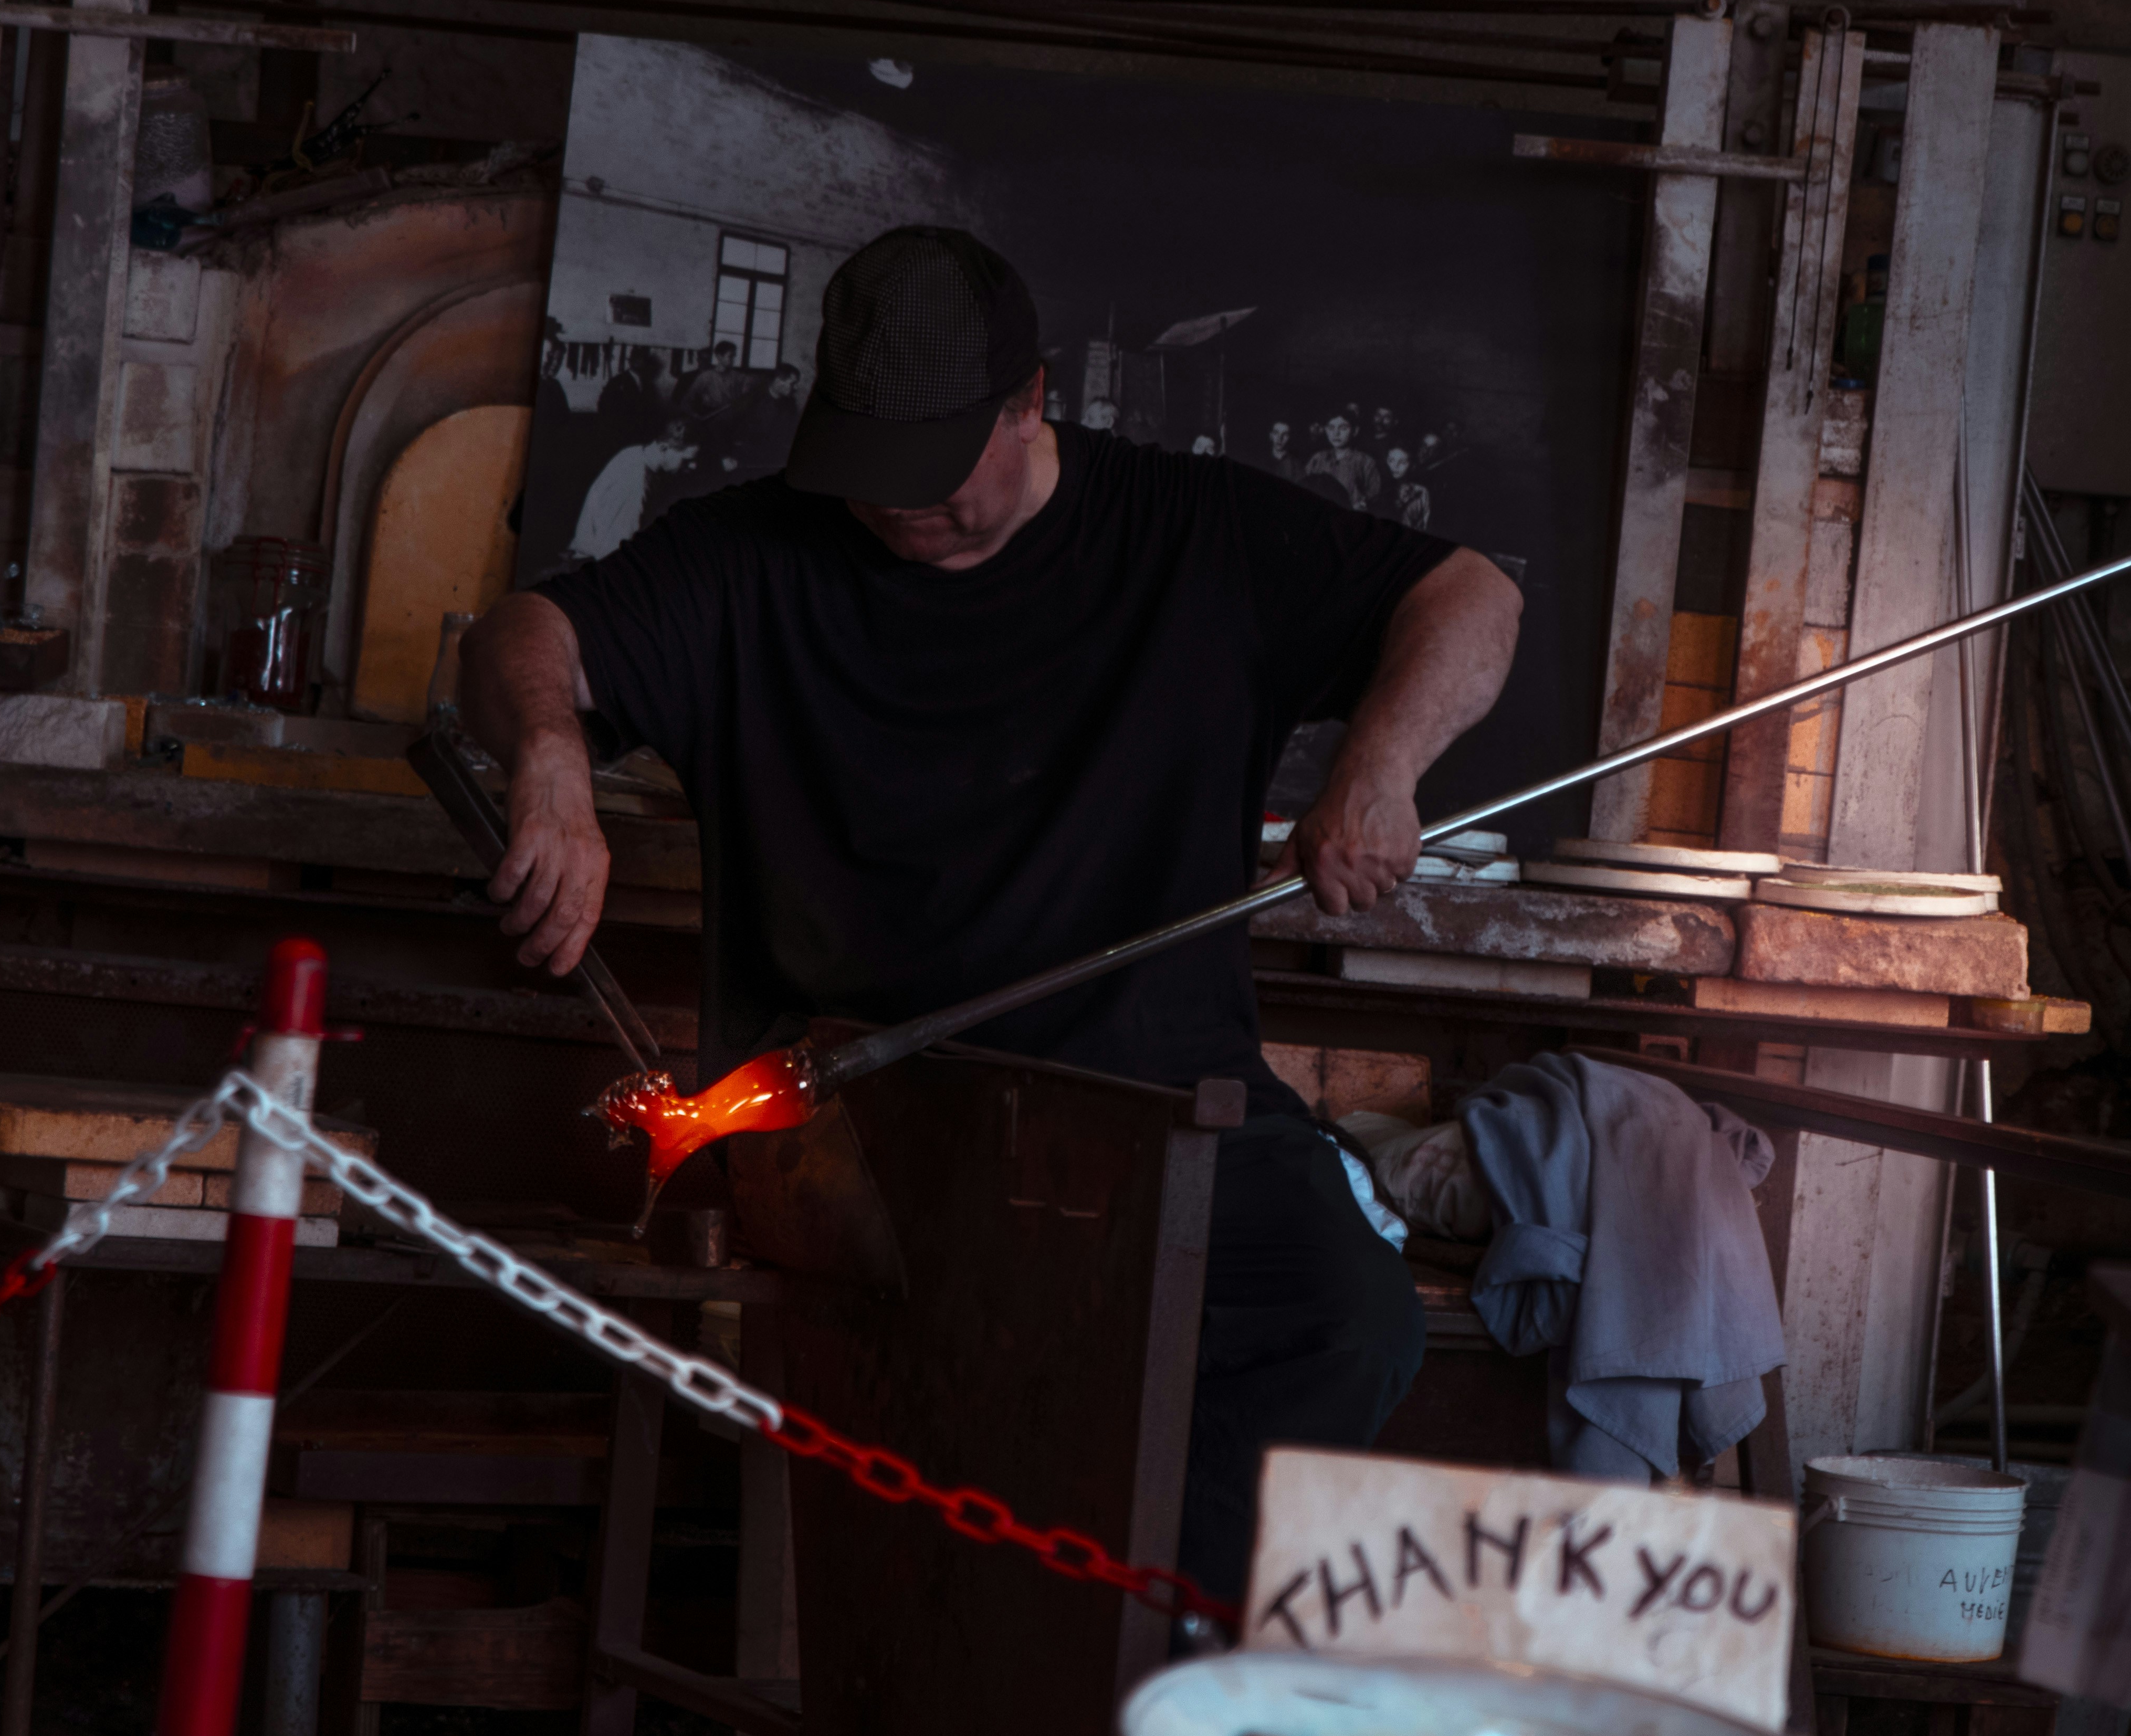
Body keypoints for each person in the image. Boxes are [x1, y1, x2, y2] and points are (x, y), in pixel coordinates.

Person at [461, 225, 1519, 1603]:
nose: (898, 510)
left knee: (1344, 1317)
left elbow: (1468, 594)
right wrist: (552, 764)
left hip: (1154, 1097)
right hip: (855, 1112)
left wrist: (1379, 764)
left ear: (1029, 399)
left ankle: (1128, 1677)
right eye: (868, 474)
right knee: (968, 1380)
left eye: (933, 475)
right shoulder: (754, 555)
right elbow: (522, 640)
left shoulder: (1195, 537)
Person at [1303, 413, 1383, 512]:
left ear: (1355, 431)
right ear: (1326, 430)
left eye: (1343, 428)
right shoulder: (1318, 459)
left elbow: (1374, 495)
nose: (1336, 434)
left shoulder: (1366, 462)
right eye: (1331, 428)